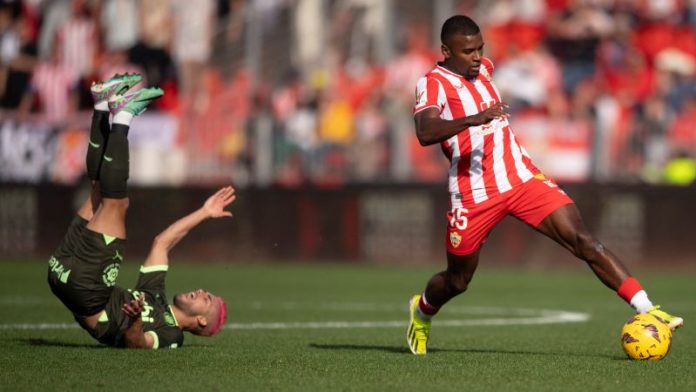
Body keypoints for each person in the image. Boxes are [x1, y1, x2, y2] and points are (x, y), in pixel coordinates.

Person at [406, 15, 683, 355]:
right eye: (468, 51)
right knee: (458, 280)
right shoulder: (432, 83)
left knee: (584, 241)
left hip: (522, 178)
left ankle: (649, 309)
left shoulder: (486, 68)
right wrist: (472, 120)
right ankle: (422, 312)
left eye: (480, 48)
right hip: (473, 192)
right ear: (446, 51)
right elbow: (424, 132)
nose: (477, 57)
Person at [47, 73, 230, 349]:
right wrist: (204, 212)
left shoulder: (172, 335)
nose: (202, 292)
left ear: (202, 321)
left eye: (207, 299)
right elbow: (163, 242)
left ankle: (122, 117)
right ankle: (100, 106)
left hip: (87, 294)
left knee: (117, 204)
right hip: (63, 273)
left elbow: (138, 345)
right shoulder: (153, 294)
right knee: (98, 192)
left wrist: (134, 320)